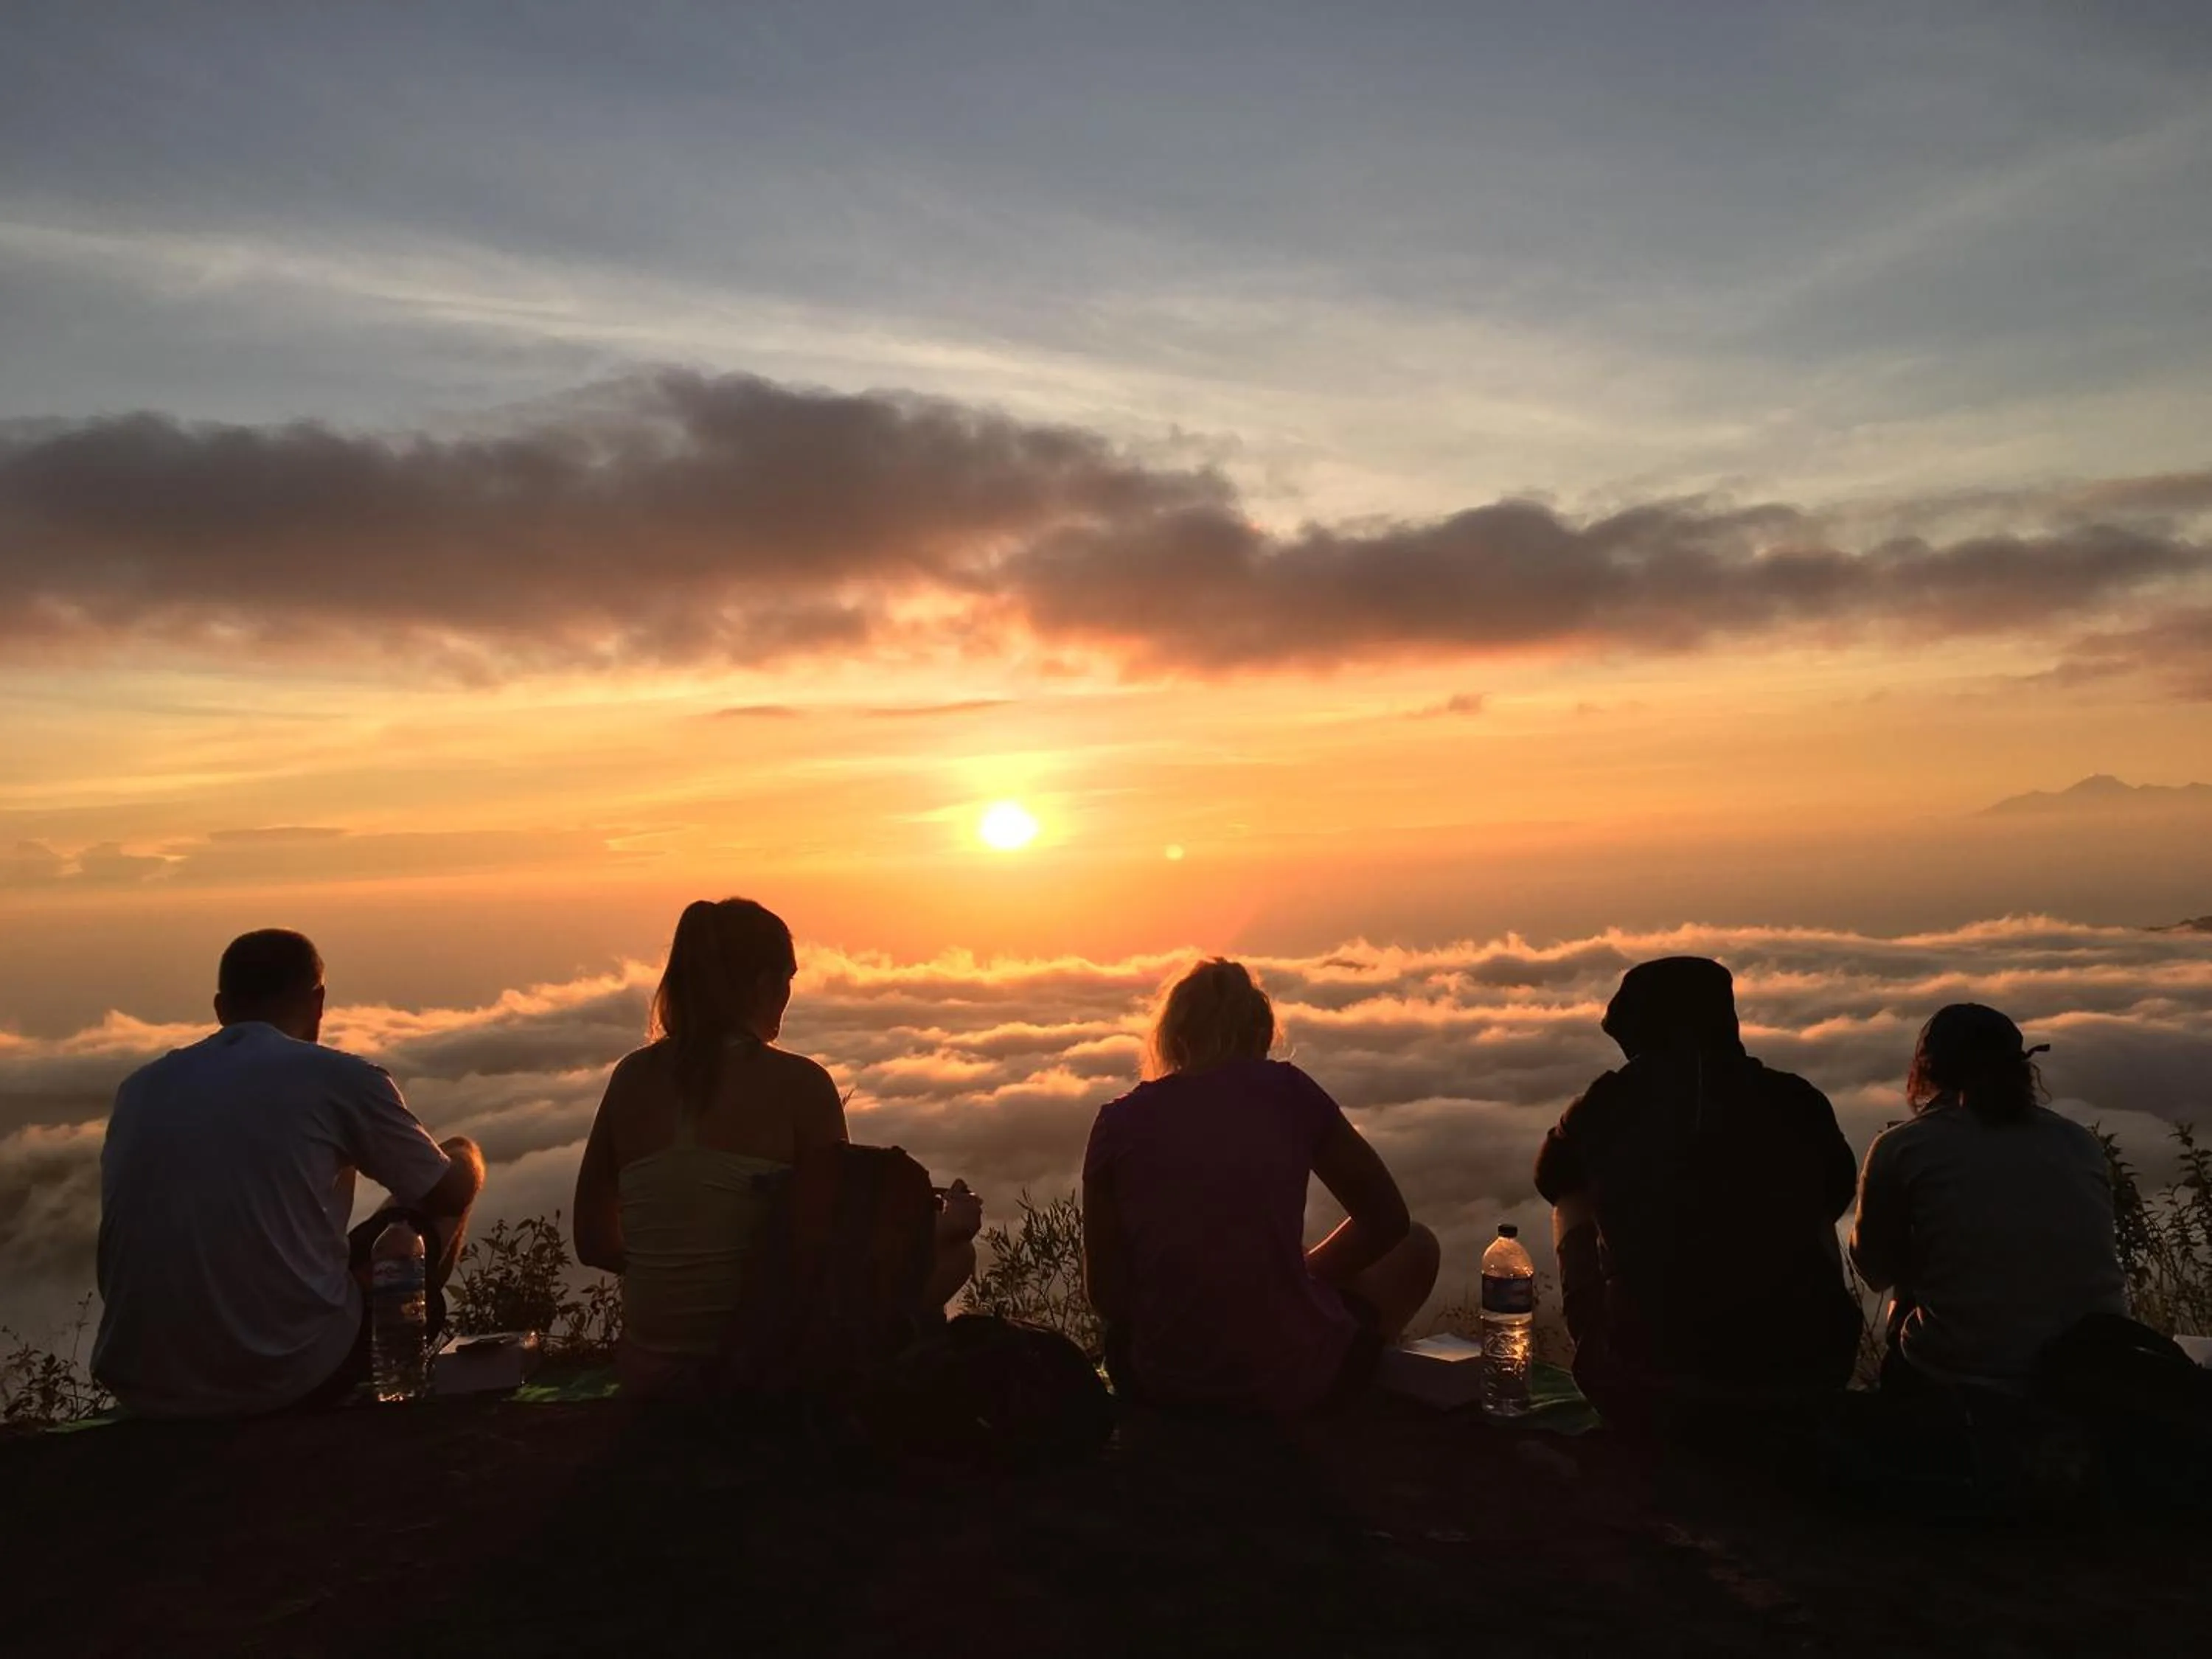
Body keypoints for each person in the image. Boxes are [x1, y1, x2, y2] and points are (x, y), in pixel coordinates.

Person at [572, 897, 984, 1394]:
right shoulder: (802, 1085)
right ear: (764, 985)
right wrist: (946, 1222)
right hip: (762, 1368)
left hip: (649, 1370)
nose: (789, 995)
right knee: (957, 1255)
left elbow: (593, 1241)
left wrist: (678, 1264)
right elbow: (842, 1251)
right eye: (789, 978)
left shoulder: (630, 1078)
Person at [93, 929, 485, 1417]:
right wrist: (469, 1160)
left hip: (144, 1385)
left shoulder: (139, 1090)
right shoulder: (342, 1079)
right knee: (435, 1198)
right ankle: (395, 1380)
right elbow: (445, 1195)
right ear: (317, 1001)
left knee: (393, 1226)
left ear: (221, 1008)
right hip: (287, 1378)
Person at [1081, 958, 1439, 1415]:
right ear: (1259, 1032)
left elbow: (1107, 1296)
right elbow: (1389, 1221)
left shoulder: (1117, 1123)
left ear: (1175, 1035)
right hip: (1295, 1380)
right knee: (1418, 1246)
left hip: (1165, 1384)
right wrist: (1302, 1275)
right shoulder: (1289, 1092)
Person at [1534, 956, 1861, 1430]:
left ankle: (1601, 1347)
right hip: (1806, 1378)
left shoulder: (1608, 1102)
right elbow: (1836, 1193)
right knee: (1810, 1205)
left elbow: (1552, 1179)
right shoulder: (1797, 1100)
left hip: (1647, 1386)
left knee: (1572, 1196)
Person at [1850, 1003, 2126, 1393]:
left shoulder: (1903, 1147)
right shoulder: (2078, 1141)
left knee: (1906, 1315)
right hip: (2091, 1362)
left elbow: (1875, 1271)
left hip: (1958, 1371)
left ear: (1928, 1069)